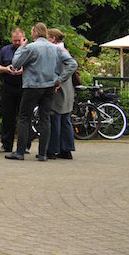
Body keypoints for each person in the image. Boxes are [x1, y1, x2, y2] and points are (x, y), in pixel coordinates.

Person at [6, 22, 77, 161]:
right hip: (49, 87)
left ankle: (20, 152)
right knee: (45, 119)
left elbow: (16, 63)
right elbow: (73, 64)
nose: (31, 34)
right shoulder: (56, 48)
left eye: (32, 32)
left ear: (36, 33)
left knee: (24, 117)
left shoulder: (31, 47)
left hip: (32, 86)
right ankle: (43, 154)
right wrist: (60, 80)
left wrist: (21, 48)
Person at [47, 28, 76, 160]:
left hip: (60, 90)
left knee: (55, 119)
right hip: (68, 90)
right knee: (65, 120)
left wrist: (59, 80)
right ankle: (66, 150)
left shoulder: (57, 51)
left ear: (52, 38)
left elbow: (71, 65)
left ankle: (53, 150)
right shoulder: (64, 50)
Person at [0, 28, 25, 153]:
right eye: (14, 40)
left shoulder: (29, 49)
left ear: (24, 38)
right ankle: (6, 145)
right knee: (8, 117)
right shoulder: (5, 50)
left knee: (24, 118)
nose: (17, 43)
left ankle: (24, 146)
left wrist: (23, 70)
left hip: (23, 87)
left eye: (19, 40)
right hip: (8, 87)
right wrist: (6, 69)